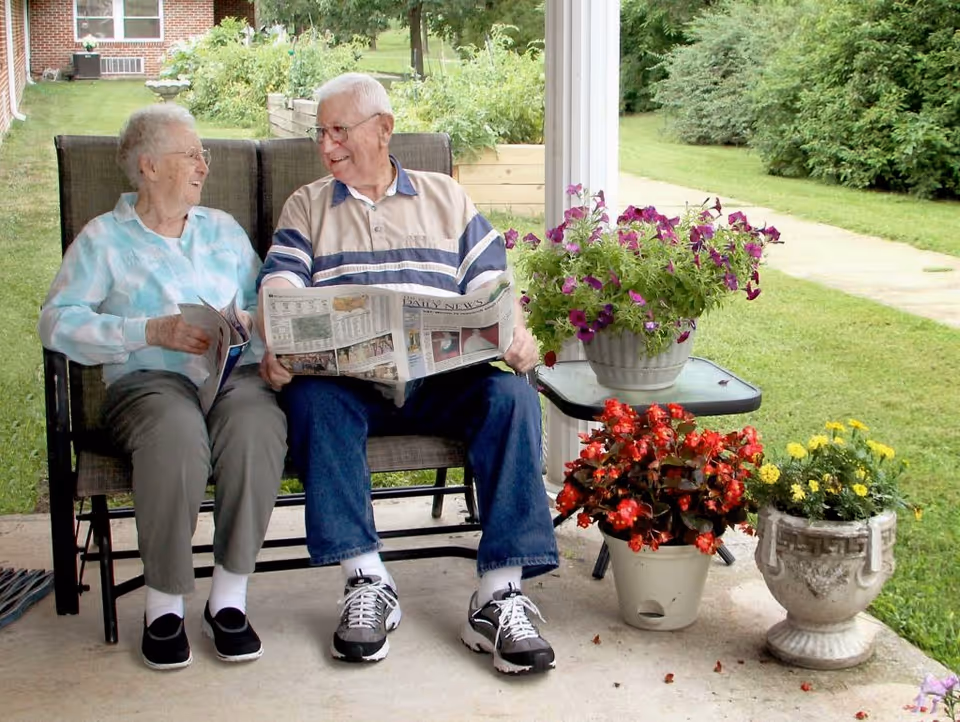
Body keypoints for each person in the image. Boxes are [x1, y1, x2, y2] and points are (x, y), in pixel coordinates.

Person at [258, 72, 559, 676]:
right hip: (351, 385)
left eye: (339, 131)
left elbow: (491, 284)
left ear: (384, 130)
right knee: (315, 403)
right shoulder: (308, 204)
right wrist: (279, 334)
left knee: (512, 399)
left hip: (443, 379)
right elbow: (281, 283)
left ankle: (498, 593)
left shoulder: (446, 196)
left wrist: (514, 332)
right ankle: (365, 581)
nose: (326, 146)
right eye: (321, 133)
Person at [38, 105, 287, 671]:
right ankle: (165, 604)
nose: (204, 165)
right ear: (149, 166)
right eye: (191, 154)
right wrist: (146, 331)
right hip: (149, 384)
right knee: (176, 435)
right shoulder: (105, 239)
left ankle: (229, 597)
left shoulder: (221, 229)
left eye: (204, 154)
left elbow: (264, 301)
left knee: (258, 424)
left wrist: (249, 321)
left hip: (231, 375)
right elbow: (56, 321)